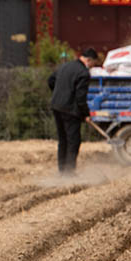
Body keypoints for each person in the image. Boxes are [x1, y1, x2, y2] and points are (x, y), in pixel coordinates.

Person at [48, 47, 98, 175]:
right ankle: (69, 172)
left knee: (63, 139)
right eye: (93, 64)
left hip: (56, 106)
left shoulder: (65, 66)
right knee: (73, 141)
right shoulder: (83, 73)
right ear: (89, 60)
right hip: (70, 110)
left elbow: (51, 80)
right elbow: (80, 97)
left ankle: (62, 170)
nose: (92, 67)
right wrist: (86, 114)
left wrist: (59, 92)